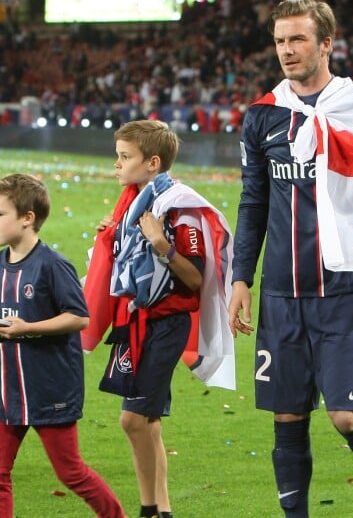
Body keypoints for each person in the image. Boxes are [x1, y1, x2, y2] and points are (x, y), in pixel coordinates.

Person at [228, 0, 353, 518]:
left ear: (326, 44)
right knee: (287, 417)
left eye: (298, 39)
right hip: (282, 293)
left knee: (345, 417)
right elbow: (253, 201)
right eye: (280, 41)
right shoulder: (263, 116)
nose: (287, 50)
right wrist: (242, 278)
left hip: (344, 286)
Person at [81, 120, 234, 518]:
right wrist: (116, 236)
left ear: (152, 162)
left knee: (133, 420)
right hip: (135, 323)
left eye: (124, 157)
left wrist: (162, 245)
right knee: (146, 423)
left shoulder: (178, 207)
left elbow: (197, 277)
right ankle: (158, 510)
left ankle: (153, 510)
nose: (116, 164)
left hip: (165, 326)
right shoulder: (134, 203)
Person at [0, 173, 126, 518]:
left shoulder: (52, 265)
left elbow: (79, 317)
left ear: (28, 218)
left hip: (49, 388)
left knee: (71, 472)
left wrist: (28, 329)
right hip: (9, 389)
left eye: (0, 214)